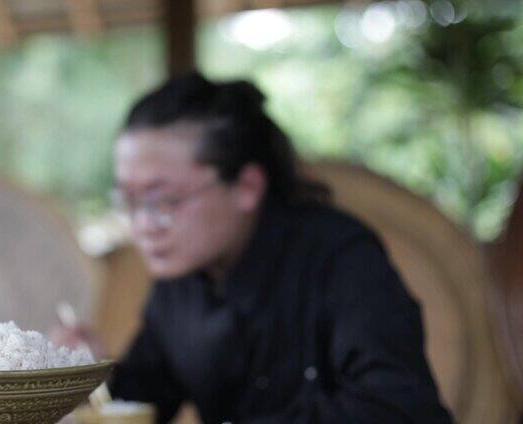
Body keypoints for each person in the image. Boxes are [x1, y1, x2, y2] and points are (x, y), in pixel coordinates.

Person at [68, 72, 453, 423]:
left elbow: (399, 406)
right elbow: (141, 398)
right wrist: (82, 379)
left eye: (164, 201)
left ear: (247, 186)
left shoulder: (339, 257)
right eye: (129, 201)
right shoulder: (180, 284)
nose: (142, 226)